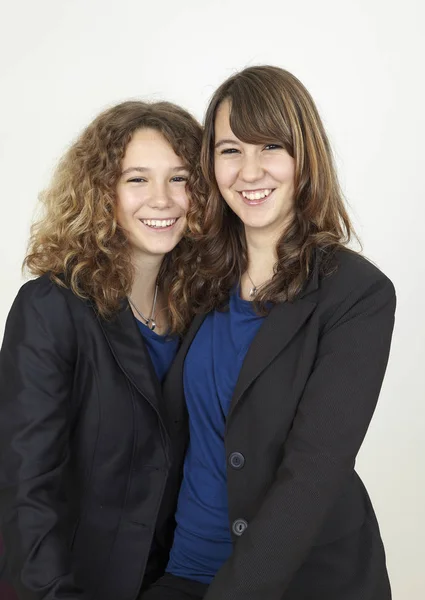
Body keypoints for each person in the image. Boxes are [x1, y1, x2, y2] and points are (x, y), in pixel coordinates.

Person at [141, 66, 396, 599]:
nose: (249, 171)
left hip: (299, 582)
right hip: (184, 570)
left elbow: (314, 473)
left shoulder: (356, 293)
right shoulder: (193, 277)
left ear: (305, 157)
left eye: (271, 146)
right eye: (231, 150)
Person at [0, 100, 203, 600]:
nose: (163, 199)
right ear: (101, 192)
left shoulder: (201, 309)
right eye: (137, 179)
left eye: (179, 179)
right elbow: (25, 492)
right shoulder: (50, 307)